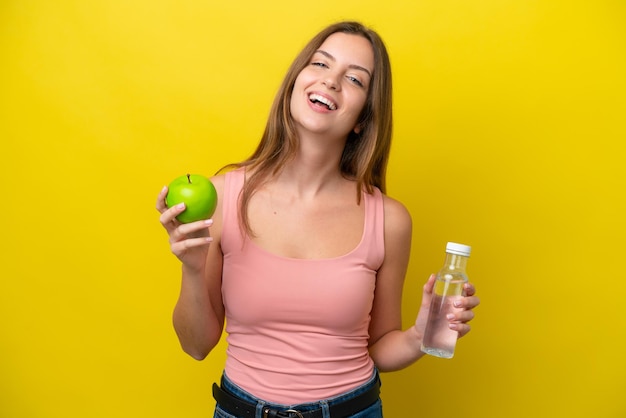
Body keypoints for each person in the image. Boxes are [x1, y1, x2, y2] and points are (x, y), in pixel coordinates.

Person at [156, 21, 480, 418]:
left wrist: (419, 334)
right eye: (321, 64)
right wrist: (191, 268)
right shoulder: (224, 196)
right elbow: (195, 345)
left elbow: (380, 346)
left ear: (363, 118)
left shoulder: (389, 220)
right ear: (296, 82)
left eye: (354, 79)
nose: (330, 82)